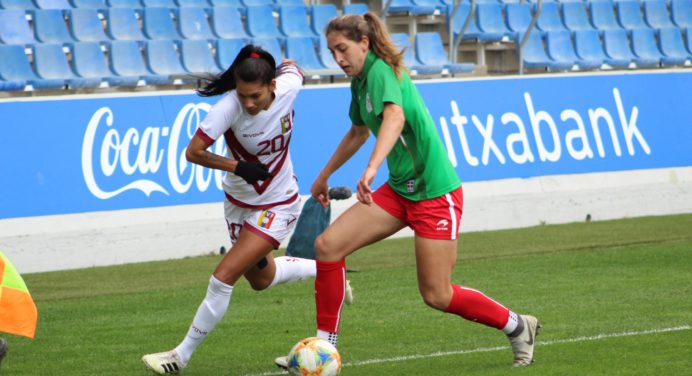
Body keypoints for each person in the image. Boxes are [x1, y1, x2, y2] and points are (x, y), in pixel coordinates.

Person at [278, 13, 540, 368]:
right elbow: (358, 132)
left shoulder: (382, 71)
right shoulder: (359, 81)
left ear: (364, 43)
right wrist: (324, 175)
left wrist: (370, 169)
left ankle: (517, 325)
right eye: (332, 51)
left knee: (437, 294)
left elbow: (395, 117)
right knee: (328, 246)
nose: (338, 59)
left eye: (343, 49)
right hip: (401, 191)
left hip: (435, 193)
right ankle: (325, 352)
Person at [141, 45, 352, 374]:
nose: (249, 103)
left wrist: (284, 64)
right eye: (242, 95)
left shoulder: (290, 86)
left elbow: (292, 66)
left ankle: (178, 356)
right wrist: (238, 167)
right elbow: (193, 152)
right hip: (239, 203)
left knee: (223, 277)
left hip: (279, 201)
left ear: (272, 86)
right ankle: (325, 270)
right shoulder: (228, 108)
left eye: (255, 96)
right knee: (262, 280)